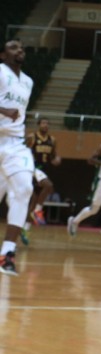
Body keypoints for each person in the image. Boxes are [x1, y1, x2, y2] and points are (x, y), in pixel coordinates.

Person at [0, 39, 36, 276]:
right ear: (3, 55)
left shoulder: (28, 82)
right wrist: (3, 110)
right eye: (14, 47)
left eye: (21, 47)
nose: (20, 50)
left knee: (24, 189)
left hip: (14, 144)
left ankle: (7, 253)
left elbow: (19, 114)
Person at [26, 116, 61, 226]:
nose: (45, 125)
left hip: (45, 170)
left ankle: (25, 226)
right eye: (43, 123)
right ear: (38, 125)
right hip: (34, 168)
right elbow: (23, 150)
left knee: (35, 199)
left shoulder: (52, 140)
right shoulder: (32, 137)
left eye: (47, 123)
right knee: (49, 185)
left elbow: (54, 155)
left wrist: (57, 159)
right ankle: (38, 210)